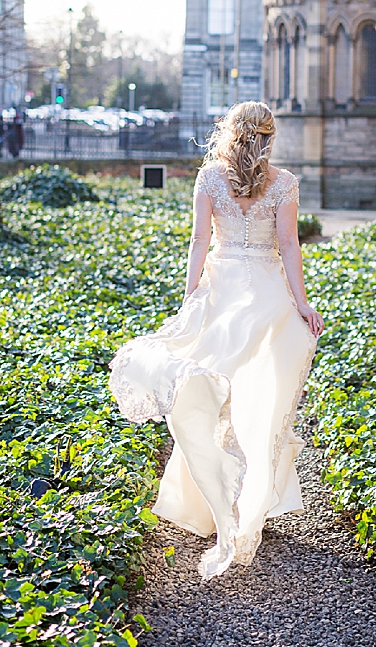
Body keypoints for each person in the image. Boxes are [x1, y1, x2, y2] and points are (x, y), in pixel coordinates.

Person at [109, 101, 324, 580]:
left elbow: (199, 242)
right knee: (261, 400)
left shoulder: (209, 178)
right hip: (267, 295)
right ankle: (253, 497)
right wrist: (301, 303)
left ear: (229, 131)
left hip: (222, 295)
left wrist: (192, 298)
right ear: (269, 136)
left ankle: (209, 501)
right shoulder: (284, 182)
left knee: (207, 393)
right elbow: (289, 245)